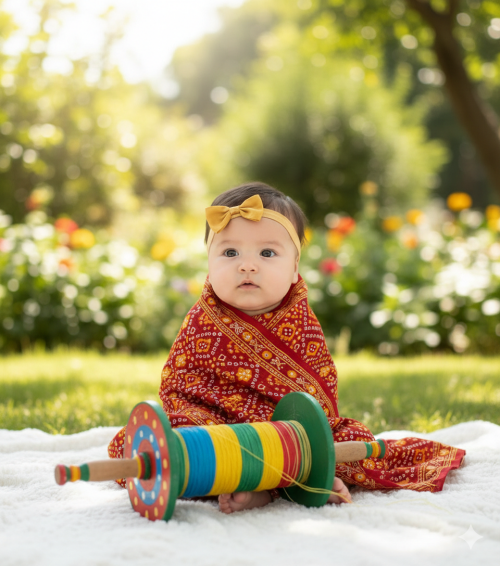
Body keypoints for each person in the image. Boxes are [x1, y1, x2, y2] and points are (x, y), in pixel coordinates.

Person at [108, 182, 465, 514]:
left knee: (351, 439)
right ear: (208, 263)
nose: (247, 264)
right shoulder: (204, 318)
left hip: (288, 434)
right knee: (151, 439)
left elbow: (316, 394)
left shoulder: (301, 321)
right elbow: (180, 385)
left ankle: (281, 482)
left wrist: (307, 434)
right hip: (216, 428)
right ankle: (252, 481)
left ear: (295, 267)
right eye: (229, 252)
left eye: (267, 252)